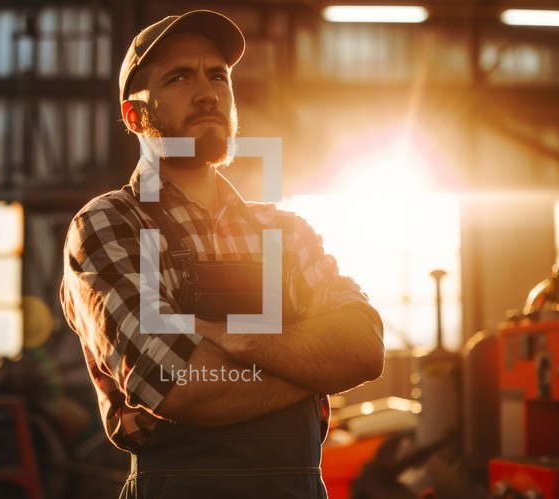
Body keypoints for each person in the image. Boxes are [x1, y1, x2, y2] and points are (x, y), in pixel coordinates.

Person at [61, 10, 385, 498]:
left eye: (218, 76)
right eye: (178, 78)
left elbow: (363, 347)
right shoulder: (110, 225)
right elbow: (177, 382)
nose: (207, 92)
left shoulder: (285, 230)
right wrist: (312, 369)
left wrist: (225, 338)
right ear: (135, 116)